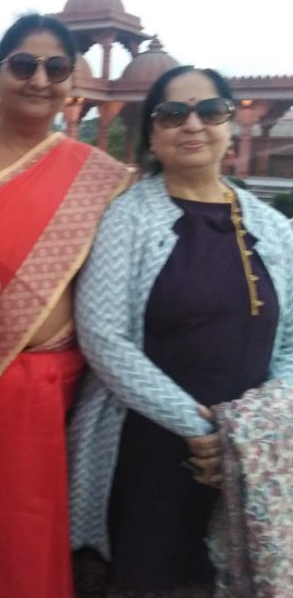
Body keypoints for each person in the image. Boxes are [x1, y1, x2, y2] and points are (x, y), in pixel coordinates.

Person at [68, 65, 293, 596]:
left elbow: (290, 342)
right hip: (148, 446)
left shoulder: (274, 228)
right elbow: (103, 337)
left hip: (251, 454)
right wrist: (202, 431)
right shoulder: (128, 219)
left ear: (229, 125)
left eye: (210, 111)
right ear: (152, 133)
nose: (193, 124)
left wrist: (252, 429)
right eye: (172, 114)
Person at [0, 14, 130, 598]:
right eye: (23, 65)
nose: (39, 80)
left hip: (42, 385)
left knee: (17, 538)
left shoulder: (99, 176)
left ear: (71, 79)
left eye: (55, 68)